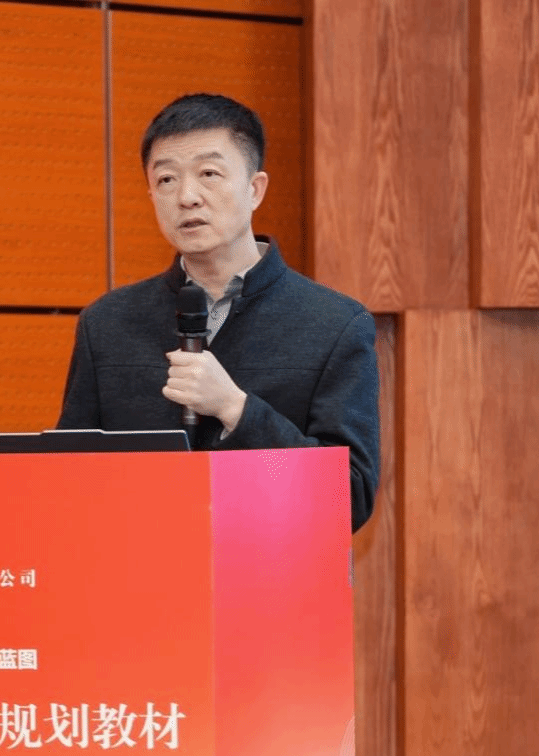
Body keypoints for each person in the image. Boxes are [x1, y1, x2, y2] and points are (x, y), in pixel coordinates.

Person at [57, 93, 380, 531]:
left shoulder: (334, 325)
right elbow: (68, 477)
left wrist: (236, 409)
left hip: (269, 570)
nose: (187, 197)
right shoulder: (107, 324)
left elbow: (350, 498)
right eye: (166, 179)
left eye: (209, 174)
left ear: (254, 189)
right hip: (141, 568)